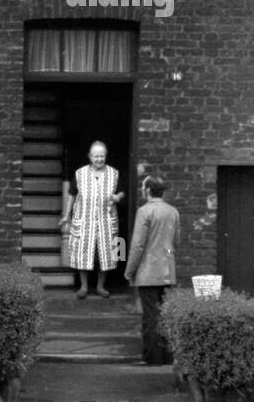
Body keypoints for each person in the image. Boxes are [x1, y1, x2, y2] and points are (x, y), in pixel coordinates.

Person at [124, 173, 179, 364]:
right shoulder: (173, 211)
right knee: (162, 314)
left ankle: (152, 358)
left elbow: (138, 245)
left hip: (148, 272)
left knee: (150, 317)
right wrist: (167, 255)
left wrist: (129, 271)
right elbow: (175, 242)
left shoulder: (144, 211)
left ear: (147, 190)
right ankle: (166, 356)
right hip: (167, 271)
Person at [60, 140, 123, 299]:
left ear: (106, 156)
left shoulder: (114, 173)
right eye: (96, 156)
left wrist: (117, 197)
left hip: (106, 221)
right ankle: (84, 287)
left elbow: (122, 192)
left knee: (108, 253)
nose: (99, 159)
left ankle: (101, 287)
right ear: (90, 156)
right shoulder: (80, 173)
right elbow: (71, 195)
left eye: (102, 156)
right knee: (82, 253)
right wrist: (66, 216)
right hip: (84, 220)